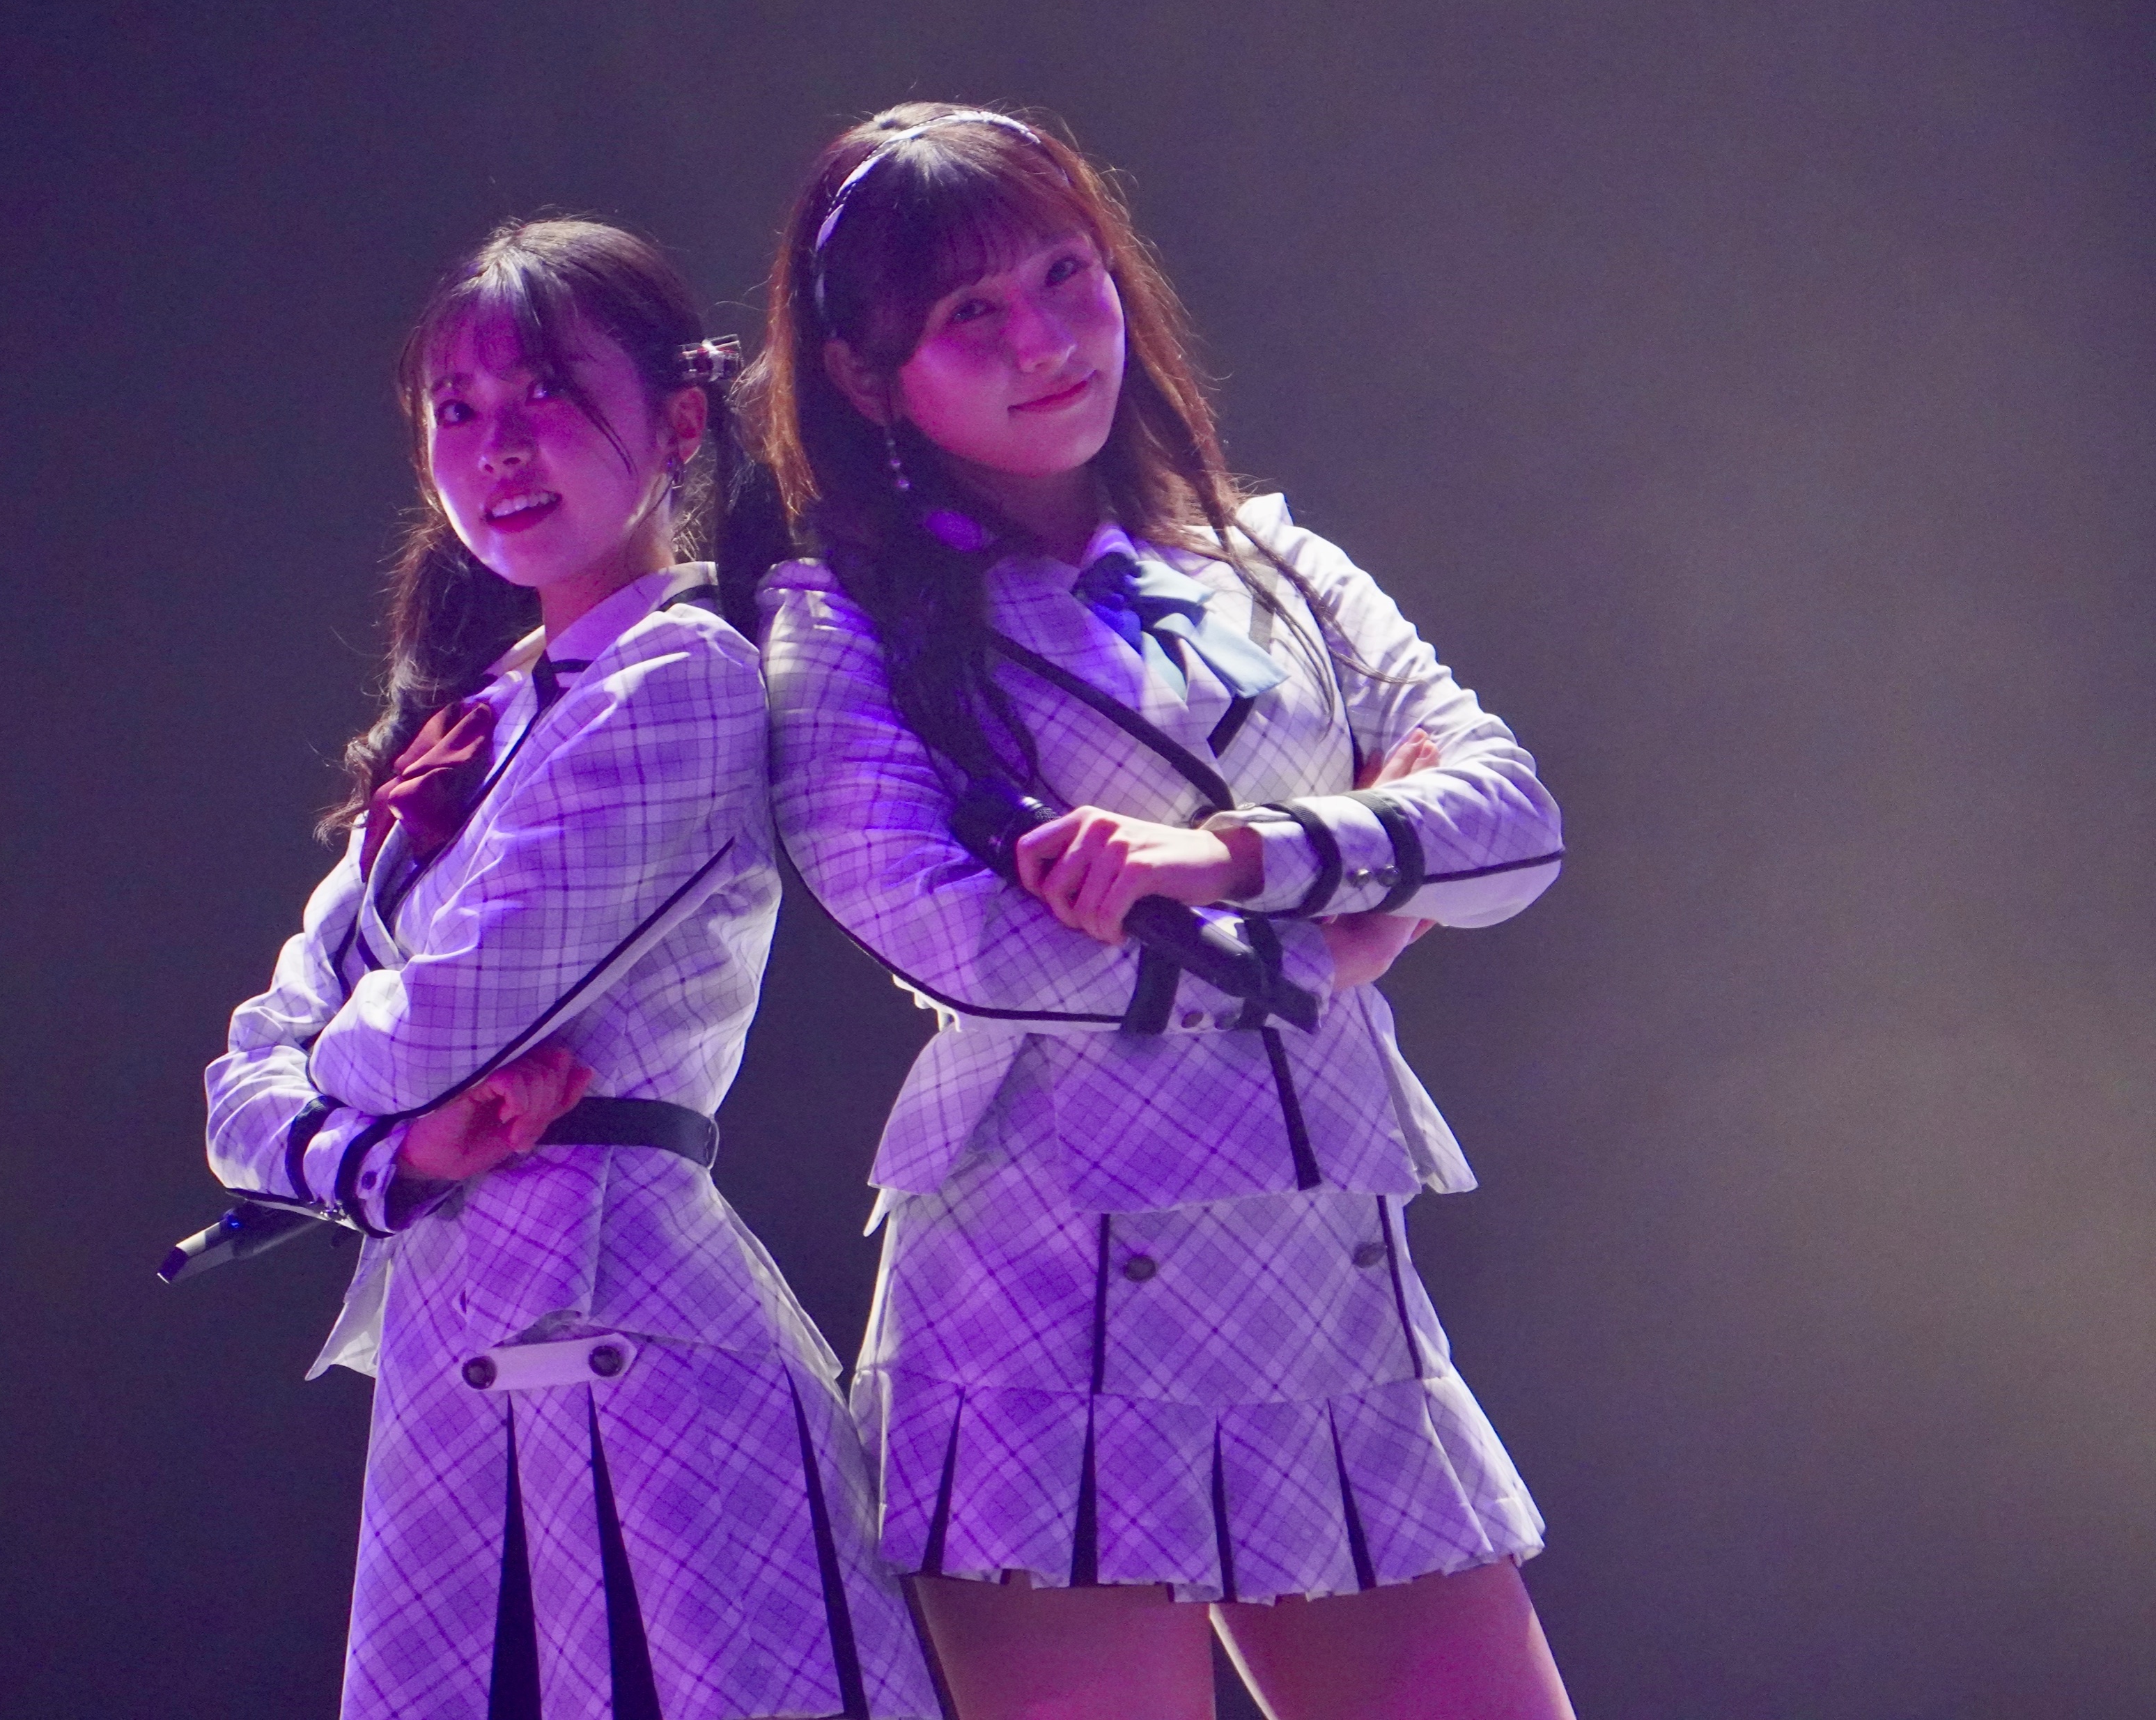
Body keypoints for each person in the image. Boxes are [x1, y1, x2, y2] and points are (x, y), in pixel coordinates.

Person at [748, 107, 1577, 1720]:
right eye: (968, 311)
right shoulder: (838, 624)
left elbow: (1512, 823)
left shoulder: (1275, 559)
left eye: (1066, 274)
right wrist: (1344, 931)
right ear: (864, 372)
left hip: (1323, 1296)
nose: (1043, 339)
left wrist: (1229, 860)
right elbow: (951, 933)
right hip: (1034, 1312)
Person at [203, 217, 936, 1720]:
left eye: (547, 393)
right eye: (457, 409)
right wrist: (386, 1156)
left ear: (679, 423)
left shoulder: (681, 677)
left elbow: (434, 1026)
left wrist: (340, 1098)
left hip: (625, 1322)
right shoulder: (469, 719)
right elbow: (240, 1078)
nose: (499, 445)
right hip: (455, 1323)